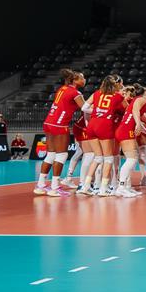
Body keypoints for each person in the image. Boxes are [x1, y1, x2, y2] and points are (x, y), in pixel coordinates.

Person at [35, 69, 85, 197]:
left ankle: (41, 185)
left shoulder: (62, 88)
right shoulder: (75, 92)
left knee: (51, 154)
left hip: (48, 122)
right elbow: (85, 108)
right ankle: (55, 187)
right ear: (75, 80)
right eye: (82, 78)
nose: (84, 80)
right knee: (62, 155)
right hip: (59, 124)